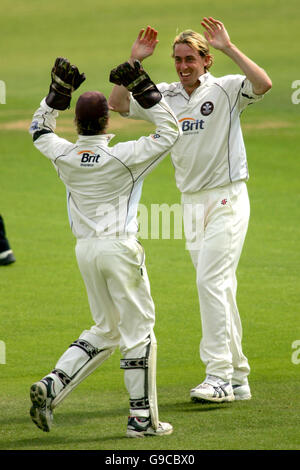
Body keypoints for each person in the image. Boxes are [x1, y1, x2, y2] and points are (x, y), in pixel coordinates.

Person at [108, 18, 272, 403]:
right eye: (177, 60)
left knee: (210, 284)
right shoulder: (164, 96)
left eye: (190, 59)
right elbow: (117, 104)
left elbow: (263, 84)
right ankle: (237, 376)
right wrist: (133, 63)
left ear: (206, 60)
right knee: (221, 288)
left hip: (227, 199)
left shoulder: (227, 89)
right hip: (190, 203)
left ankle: (217, 376)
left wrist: (230, 47)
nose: (183, 67)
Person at [29, 57, 180, 437]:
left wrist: (55, 95)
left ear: (77, 122)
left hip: (86, 252)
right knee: (139, 332)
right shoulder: (123, 157)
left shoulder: (64, 154)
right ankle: (141, 419)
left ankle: (53, 384)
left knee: (107, 328)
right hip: (120, 250)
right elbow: (170, 132)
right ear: (107, 122)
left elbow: (38, 129)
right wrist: (143, 87)